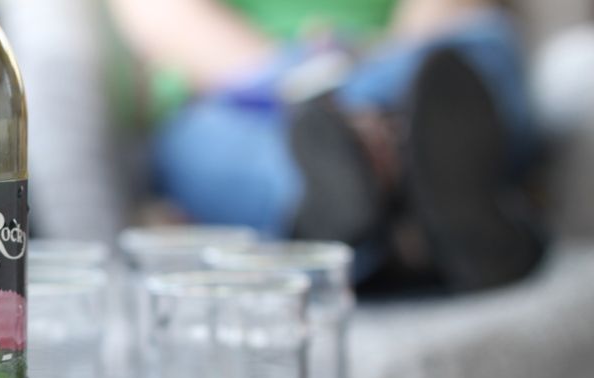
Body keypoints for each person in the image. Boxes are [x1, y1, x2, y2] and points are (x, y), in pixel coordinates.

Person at [107, 0, 547, 291]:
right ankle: (395, 201)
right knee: (203, 143)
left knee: (479, 44)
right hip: (241, 94)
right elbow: (162, 13)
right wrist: (303, 76)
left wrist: (358, 75)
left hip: (391, 62)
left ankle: (369, 199)